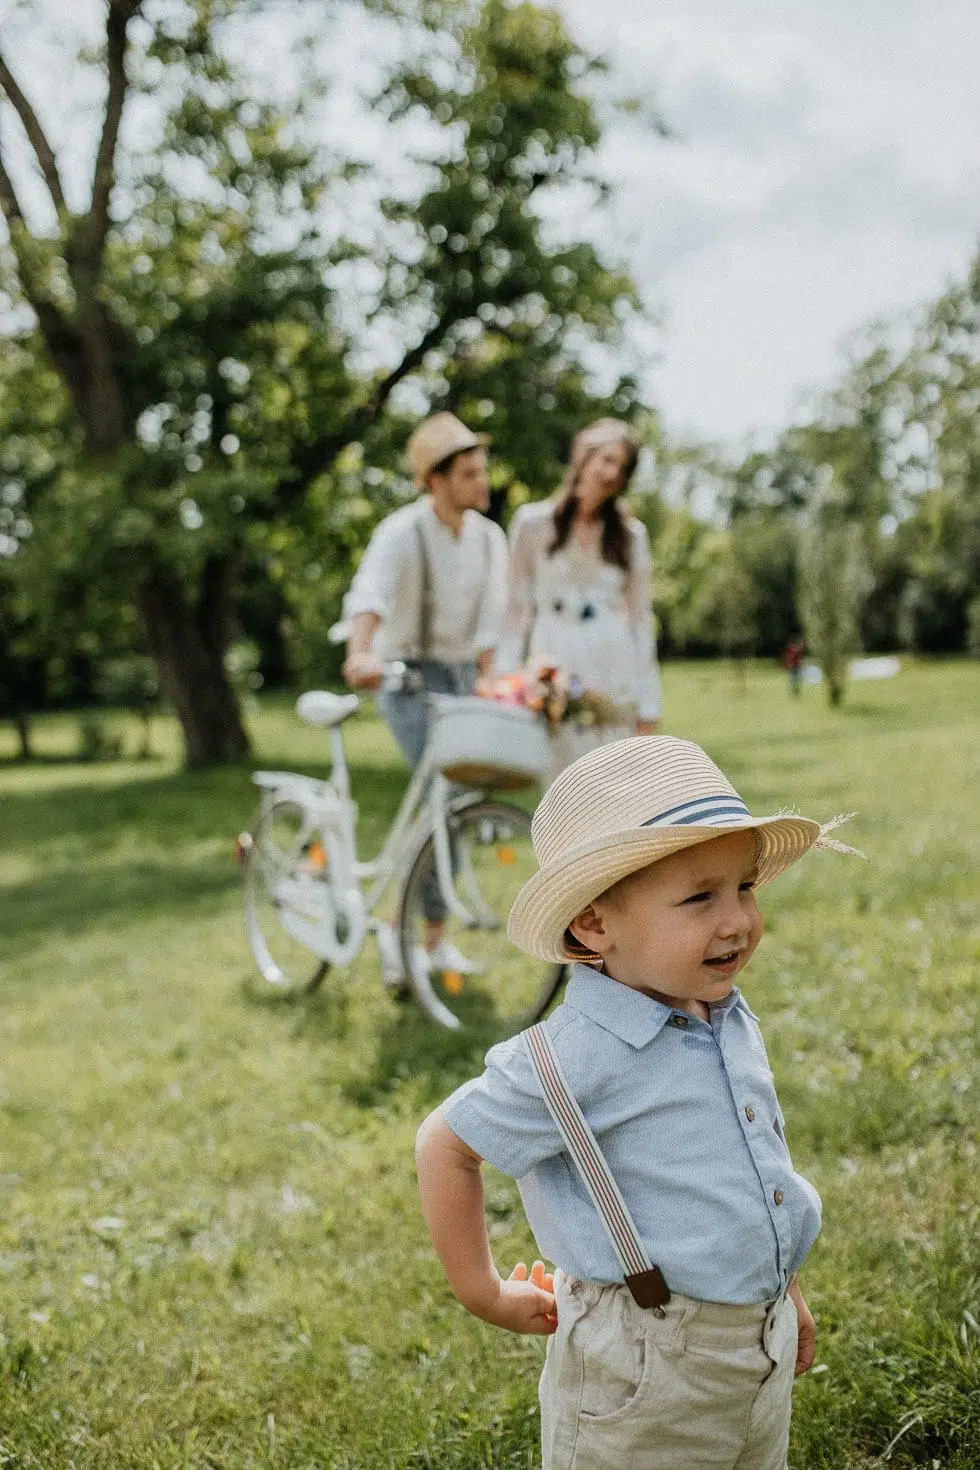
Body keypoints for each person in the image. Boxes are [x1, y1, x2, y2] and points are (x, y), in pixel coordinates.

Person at [416, 735, 859, 1469]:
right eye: (699, 898)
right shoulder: (576, 1055)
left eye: (743, 889)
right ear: (593, 924)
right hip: (645, 1366)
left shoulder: (724, 1014)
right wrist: (481, 1288)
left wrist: (786, 1292)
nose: (737, 921)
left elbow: (753, 1170)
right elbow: (447, 1142)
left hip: (758, 1344)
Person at [342, 412, 509, 980]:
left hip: (463, 677)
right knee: (447, 794)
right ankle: (398, 933)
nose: (482, 483)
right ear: (435, 481)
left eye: (482, 470)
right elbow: (371, 594)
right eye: (468, 474)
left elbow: (493, 624)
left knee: (460, 806)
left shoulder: (490, 539)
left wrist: (496, 682)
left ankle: (431, 941)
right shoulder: (401, 532)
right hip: (405, 676)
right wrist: (360, 653)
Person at [496, 418, 663, 777]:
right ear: (584, 458)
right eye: (606, 459)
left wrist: (649, 700)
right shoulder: (532, 524)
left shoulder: (631, 536)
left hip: (610, 660)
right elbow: (515, 609)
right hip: (552, 660)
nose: (611, 473)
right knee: (561, 781)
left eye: (622, 467)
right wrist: (506, 677)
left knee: (616, 779)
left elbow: (639, 618)